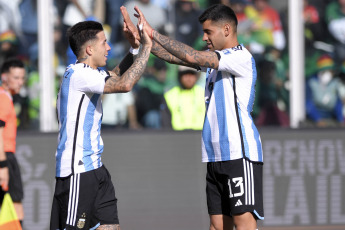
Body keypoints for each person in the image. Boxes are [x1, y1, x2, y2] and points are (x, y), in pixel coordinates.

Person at [122, 3, 264, 230]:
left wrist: (154, 33)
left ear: (226, 30)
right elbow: (175, 57)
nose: (205, 37)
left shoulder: (240, 57)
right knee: (218, 225)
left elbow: (193, 57)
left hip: (239, 151)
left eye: (209, 32)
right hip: (215, 154)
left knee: (243, 223)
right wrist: (143, 41)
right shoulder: (215, 61)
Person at [50, 17, 152, 230]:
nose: (109, 47)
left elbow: (114, 76)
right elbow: (124, 84)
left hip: (95, 168)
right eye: (104, 42)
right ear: (88, 50)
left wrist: (134, 50)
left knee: (110, 226)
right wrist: (146, 48)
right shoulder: (79, 74)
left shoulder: (89, 74)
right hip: (78, 170)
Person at [0, 58, 26, 227]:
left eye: (22, 78)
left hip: (6, 157)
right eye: (16, 77)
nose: (20, 82)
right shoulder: (2, 98)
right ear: (4, 77)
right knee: (16, 206)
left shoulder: (6, 98)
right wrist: (2, 165)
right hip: (5, 158)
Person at [161, 66, 205, 130]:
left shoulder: (204, 94)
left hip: (200, 136)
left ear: (197, 76)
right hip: (175, 137)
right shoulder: (169, 95)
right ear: (179, 76)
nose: (189, 78)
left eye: (191, 74)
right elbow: (165, 123)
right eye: (185, 74)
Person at [306, 54, 344, 127]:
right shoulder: (311, 83)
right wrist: (318, 119)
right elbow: (308, 103)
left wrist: (341, 120)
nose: (331, 74)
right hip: (313, 121)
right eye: (329, 71)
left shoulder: (334, 83)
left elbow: (337, 103)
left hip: (330, 118)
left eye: (332, 71)